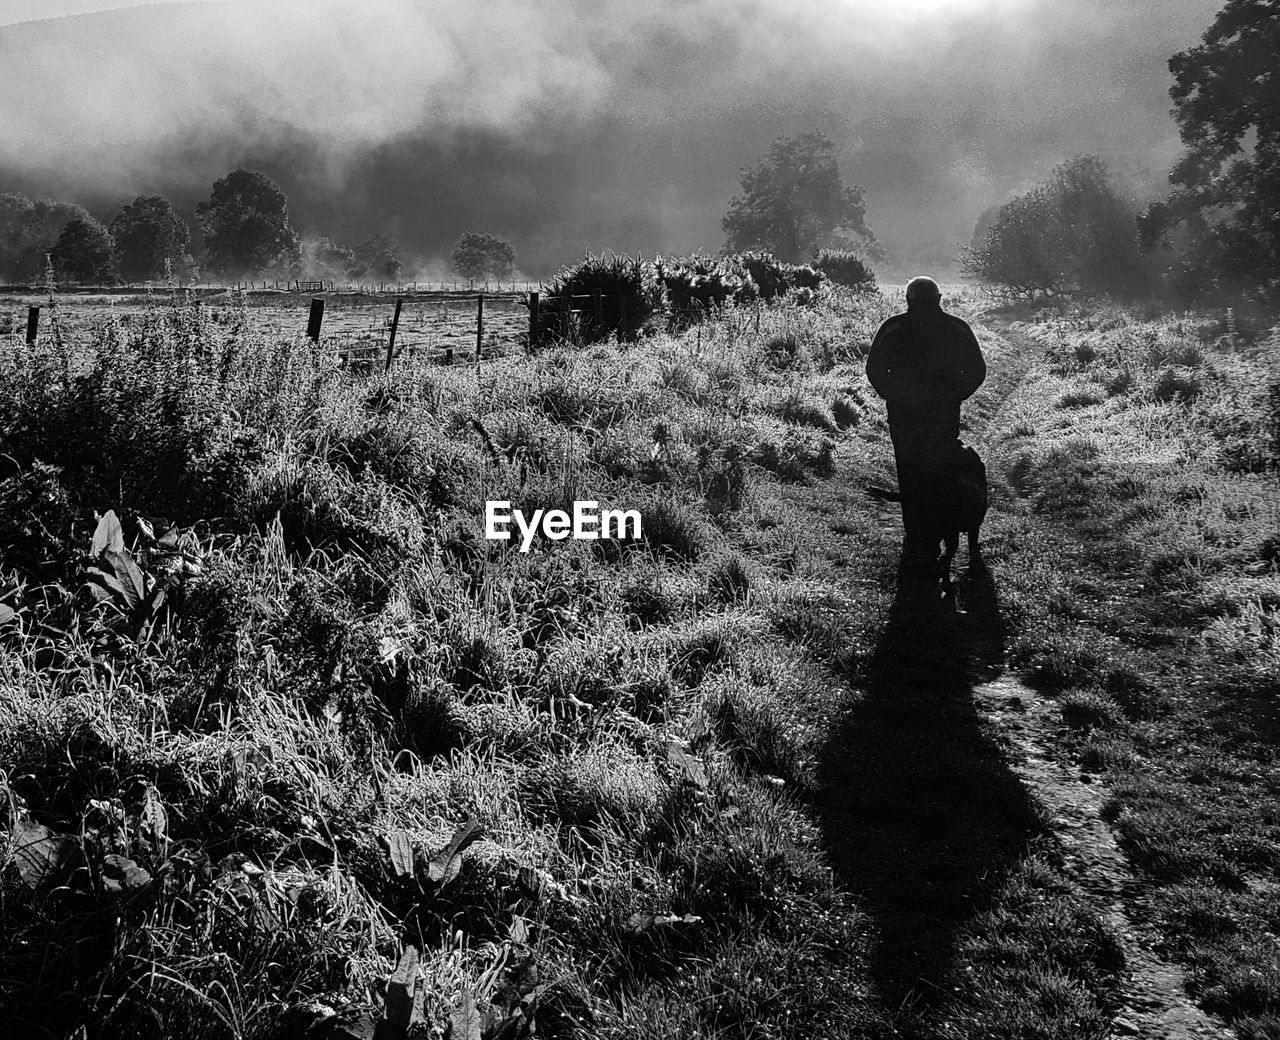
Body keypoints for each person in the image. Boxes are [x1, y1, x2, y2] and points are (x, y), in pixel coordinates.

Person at [865, 276, 986, 565]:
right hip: (942, 415)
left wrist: (893, 394)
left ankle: (917, 534)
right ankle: (933, 532)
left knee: (909, 472)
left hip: (903, 415)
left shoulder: (893, 327)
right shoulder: (956, 328)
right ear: (940, 297)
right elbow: (976, 369)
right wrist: (955, 394)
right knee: (939, 472)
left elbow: (874, 368)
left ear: (908, 299)